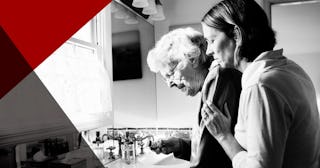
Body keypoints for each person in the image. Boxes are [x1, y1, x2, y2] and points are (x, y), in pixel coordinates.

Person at [199, 0, 320, 168]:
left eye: (212, 40)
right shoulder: (293, 70)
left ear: (236, 35)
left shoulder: (261, 86)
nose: (209, 51)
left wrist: (224, 136)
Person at [147, 27, 242, 168]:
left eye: (172, 72)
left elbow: (210, 158)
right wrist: (181, 146)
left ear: (193, 58)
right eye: (165, 78)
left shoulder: (218, 78)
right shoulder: (212, 81)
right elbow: (215, 147)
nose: (170, 84)